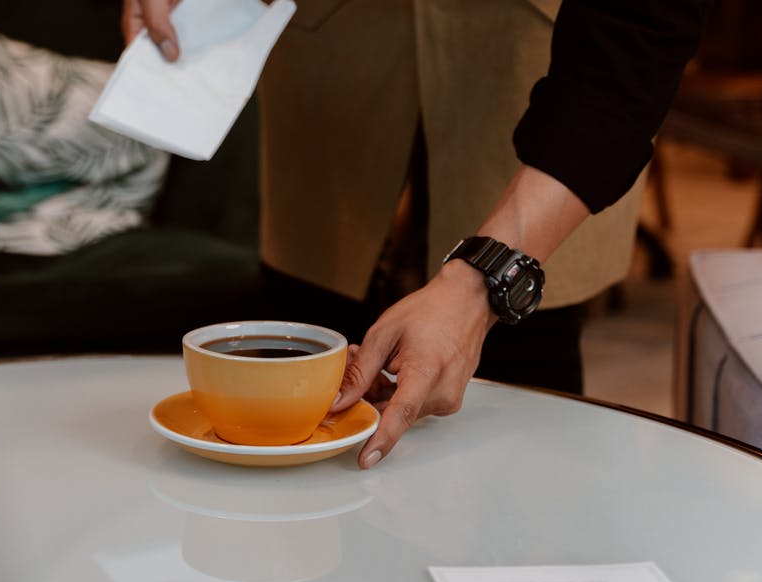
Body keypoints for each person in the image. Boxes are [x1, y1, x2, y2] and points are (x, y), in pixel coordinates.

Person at [121, 0, 710, 468]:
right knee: (304, 345)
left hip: (545, 68)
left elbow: (643, 24)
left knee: (515, 434)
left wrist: (488, 280)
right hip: (330, 50)